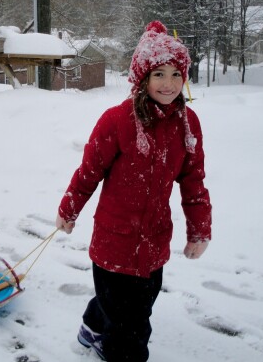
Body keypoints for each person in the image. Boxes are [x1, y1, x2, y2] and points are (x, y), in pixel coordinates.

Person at [55, 21, 212, 361]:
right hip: (114, 243)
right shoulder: (117, 120)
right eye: (159, 74)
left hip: (154, 242)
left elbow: (193, 180)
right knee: (133, 328)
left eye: (175, 74)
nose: (169, 83)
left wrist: (199, 228)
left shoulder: (188, 124)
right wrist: (69, 208)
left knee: (134, 303)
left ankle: (92, 327)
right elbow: (89, 171)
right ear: (142, 77)